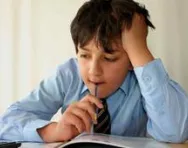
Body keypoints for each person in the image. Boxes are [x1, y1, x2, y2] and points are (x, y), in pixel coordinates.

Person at [0, 0, 188, 143]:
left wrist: (139, 49)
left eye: (109, 58)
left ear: (131, 59)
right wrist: (53, 131)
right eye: (84, 55)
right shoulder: (68, 75)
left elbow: (176, 132)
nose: (94, 71)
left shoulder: (144, 83)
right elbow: (6, 123)